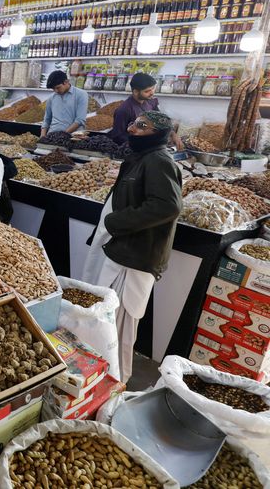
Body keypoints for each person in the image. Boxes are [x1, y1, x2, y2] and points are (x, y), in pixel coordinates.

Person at [81, 111, 182, 384]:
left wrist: (116, 222)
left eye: (141, 126)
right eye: (133, 123)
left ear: (158, 134)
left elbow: (168, 206)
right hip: (122, 250)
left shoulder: (159, 161)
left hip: (136, 258)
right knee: (106, 324)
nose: (132, 129)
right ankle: (99, 381)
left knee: (121, 331)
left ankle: (116, 384)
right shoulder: (141, 158)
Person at [110, 73, 184, 150]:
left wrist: (173, 134)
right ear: (135, 92)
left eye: (153, 89)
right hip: (135, 150)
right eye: (147, 91)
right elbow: (117, 137)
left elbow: (161, 121)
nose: (152, 93)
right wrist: (144, 143)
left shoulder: (151, 102)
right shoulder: (124, 110)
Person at [41, 70, 89, 136]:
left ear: (66, 82)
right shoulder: (51, 98)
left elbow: (80, 120)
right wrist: (42, 136)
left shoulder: (81, 94)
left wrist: (63, 135)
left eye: (58, 87)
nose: (56, 91)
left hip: (74, 136)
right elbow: (47, 120)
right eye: (53, 89)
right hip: (52, 135)